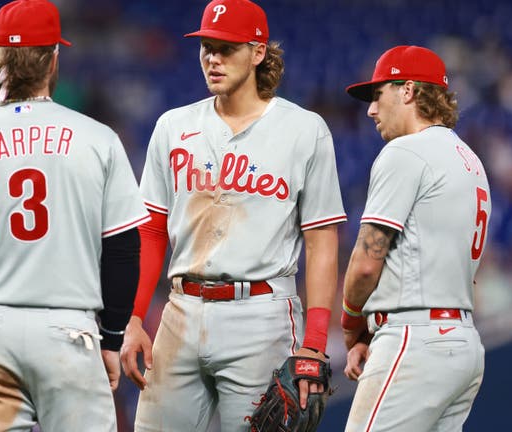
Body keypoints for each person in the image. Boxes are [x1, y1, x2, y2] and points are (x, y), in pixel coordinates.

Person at [0, 0, 150, 430]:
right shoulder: (98, 139)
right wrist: (112, 340)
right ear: (53, 58)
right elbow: (122, 250)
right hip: (69, 331)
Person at [119, 0, 346, 430]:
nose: (212, 58)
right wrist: (132, 318)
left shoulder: (304, 130)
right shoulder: (173, 126)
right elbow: (151, 231)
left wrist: (314, 343)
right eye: (206, 47)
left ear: (258, 52)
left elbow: (321, 242)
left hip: (261, 315)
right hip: (180, 311)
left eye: (226, 48)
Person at [341, 45, 489, 431]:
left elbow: (366, 262)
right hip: (463, 344)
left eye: (378, 95)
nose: (371, 110)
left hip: (415, 342)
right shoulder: (470, 160)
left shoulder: (405, 152)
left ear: (408, 91)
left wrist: (351, 323)